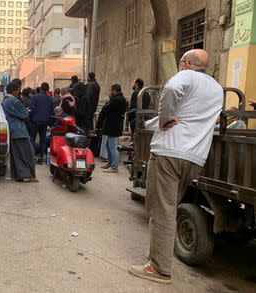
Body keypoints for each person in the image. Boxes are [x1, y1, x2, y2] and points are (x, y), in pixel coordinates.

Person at [129, 49, 224, 284]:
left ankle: (159, 268)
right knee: (168, 207)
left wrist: (163, 118)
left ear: (186, 63)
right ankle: (157, 258)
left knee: (162, 209)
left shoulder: (187, 76)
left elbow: (170, 89)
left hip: (169, 152)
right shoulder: (215, 88)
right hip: (194, 158)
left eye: (181, 62)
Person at [1, 81, 38, 182]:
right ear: (14, 91)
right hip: (19, 130)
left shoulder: (5, 101)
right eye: (18, 90)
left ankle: (21, 175)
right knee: (27, 153)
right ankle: (27, 175)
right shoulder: (14, 101)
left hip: (12, 130)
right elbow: (25, 114)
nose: (18, 92)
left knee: (17, 155)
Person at [96, 84, 127, 173]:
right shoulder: (119, 99)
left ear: (114, 91)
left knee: (113, 147)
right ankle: (109, 163)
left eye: (110, 91)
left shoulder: (116, 100)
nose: (109, 92)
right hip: (113, 126)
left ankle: (114, 166)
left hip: (113, 126)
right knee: (108, 146)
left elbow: (106, 109)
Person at [29, 82, 54, 165]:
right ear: (48, 89)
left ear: (40, 88)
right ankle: (40, 157)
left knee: (32, 138)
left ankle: (32, 157)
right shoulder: (50, 98)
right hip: (44, 122)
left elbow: (31, 109)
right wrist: (49, 122)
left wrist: (31, 118)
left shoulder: (35, 97)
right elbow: (51, 111)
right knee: (42, 139)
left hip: (35, 121)